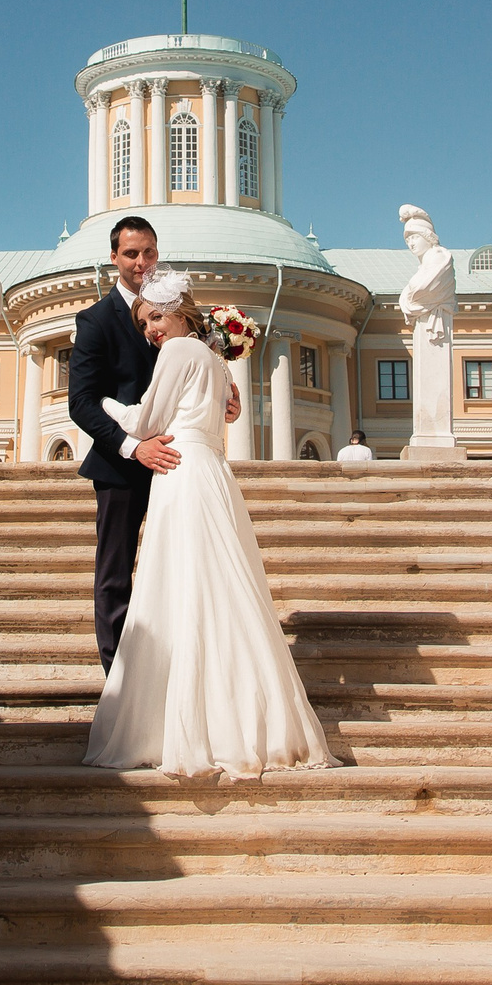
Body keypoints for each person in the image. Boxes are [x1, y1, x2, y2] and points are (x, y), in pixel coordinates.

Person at [84, 269, 335, 779]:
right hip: (213, 473)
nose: (151, 329)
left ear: (181, 312)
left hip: (182, 474)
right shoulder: (217, 361)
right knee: (223, 588)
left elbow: (146, 422)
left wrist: (104, 402)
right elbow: (225, 415)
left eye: (156, 316)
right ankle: (247, 720)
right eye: (143, 322)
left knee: (180, 589)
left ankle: (182, 723)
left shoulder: (178, 353)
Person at [69, 216, 240, 670]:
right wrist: (132, 447)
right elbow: (81, 404)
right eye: (130, 254)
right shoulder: (95, 321)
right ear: (114, 258)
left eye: (148, 252)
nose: (141, 262)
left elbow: (195, 375)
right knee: (116, 576)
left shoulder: (178, 317)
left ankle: (178, 671)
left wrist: (225, 396)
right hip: (121, 465)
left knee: (178, 570)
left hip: (181, 465)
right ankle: (120, 684)